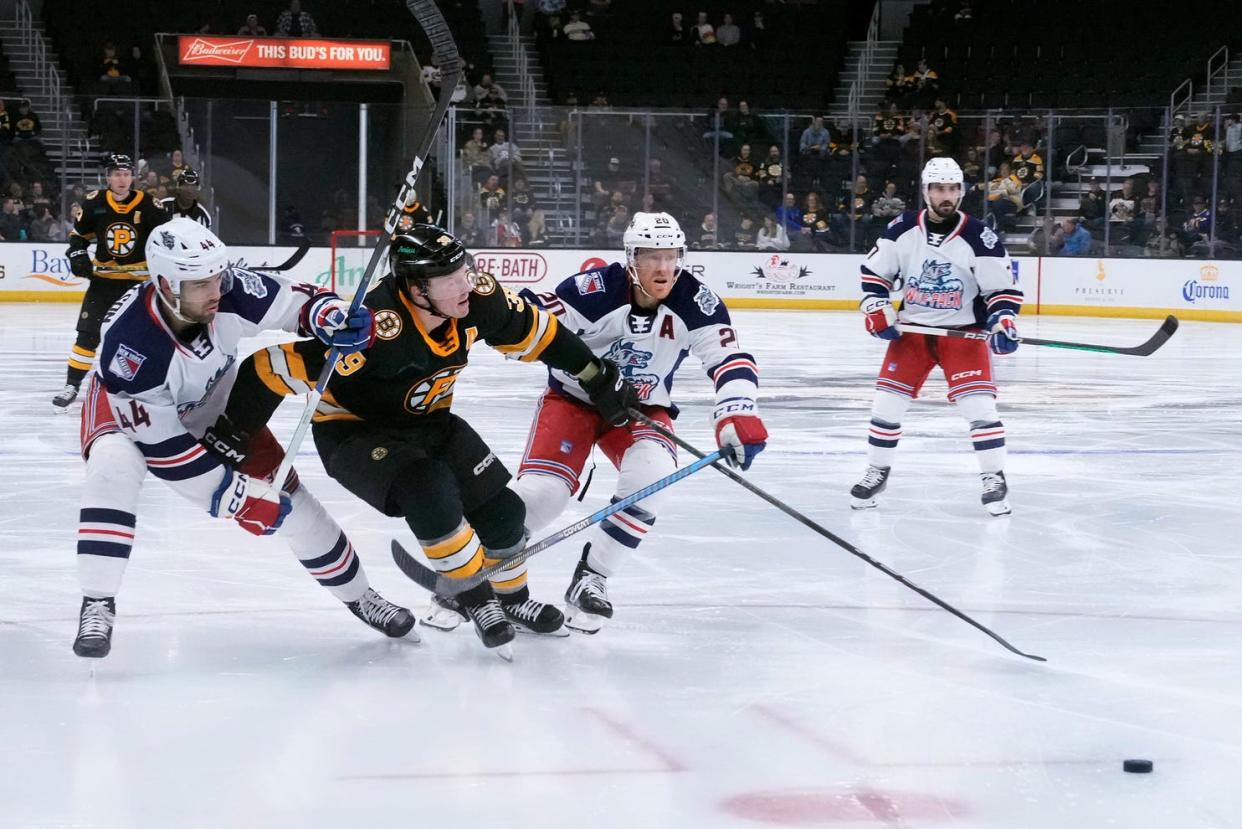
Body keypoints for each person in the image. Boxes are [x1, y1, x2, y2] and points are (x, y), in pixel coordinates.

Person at [235, 225, 641, 654]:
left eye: (464, 270)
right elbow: (267, 368)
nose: (466, 282)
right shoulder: (375, 329)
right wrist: (233, 434)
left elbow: (541, 333)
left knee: (503, 511)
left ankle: (513, 601)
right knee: (427, 488)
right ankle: (477, 599)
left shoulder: (477, 300)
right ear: (417, 288)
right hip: (355, 433)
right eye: (450, 278)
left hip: (431, 421)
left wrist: (594, 376)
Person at [71, 218, 413, 658]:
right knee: (112, 468)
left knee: (291, 502)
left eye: (217, 276)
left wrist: (330, 317)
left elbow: (294, 303)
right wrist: (235, 498)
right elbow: (167, 451)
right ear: (164, 283)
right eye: (199, 283)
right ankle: (97, 599)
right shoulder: (130, 348)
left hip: (210, 402)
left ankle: (360, 595)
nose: (215, 290)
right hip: (129, 414)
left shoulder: (229, 288)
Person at [513, 212, 768, 633]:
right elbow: (540, 324)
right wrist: (520, 315)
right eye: (652, 257)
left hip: (643, 408)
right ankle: (475, 570)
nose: (664, 268)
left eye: (671, 256)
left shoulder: (695, 301)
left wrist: (737, 409)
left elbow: (729, 358)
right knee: (543, 496)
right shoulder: (593, 290)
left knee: (655, 477)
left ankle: (592, 578)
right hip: (573, 399)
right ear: (631, 258)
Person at [851, 158, 1022, 516]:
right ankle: (877, 471)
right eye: (940, 189)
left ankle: (993, 477)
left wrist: (1003, 319)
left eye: (953, 189)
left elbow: (1002, 291)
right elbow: (874, 276)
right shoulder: (901, 230)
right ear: (927, 191)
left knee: (979, 409)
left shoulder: (979, 236)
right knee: (886, 406)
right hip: (911, 333)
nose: (947, 196)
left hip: (964, 336)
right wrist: (875, 307)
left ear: (961, 191)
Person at [54, 154, 170, 412]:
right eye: (116, 174)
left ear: (133, 177)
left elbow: (166, 239)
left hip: (138, 288)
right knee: (87, 335)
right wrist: (77, 254)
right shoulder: (94, 203)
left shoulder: (150, 205)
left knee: (144, 338)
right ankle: (72, 385)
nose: (122, 178)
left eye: (126, 173)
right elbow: (78, 238)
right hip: (103, 284)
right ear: (107, 177)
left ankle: (148, 386)